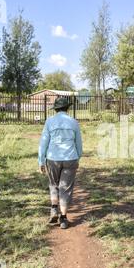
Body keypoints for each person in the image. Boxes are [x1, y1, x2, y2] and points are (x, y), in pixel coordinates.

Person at [38, 97, 83, 230]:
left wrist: (41, 160)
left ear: (56, 108)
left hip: (53, 158)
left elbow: (43, 143)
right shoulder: (74, 122)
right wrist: (77, 157)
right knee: (66, 188)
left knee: (53, 184)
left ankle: (53, 209)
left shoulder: (49, 122)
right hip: (70, 158)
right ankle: (63, 218)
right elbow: (78, 144)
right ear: (67, 108)